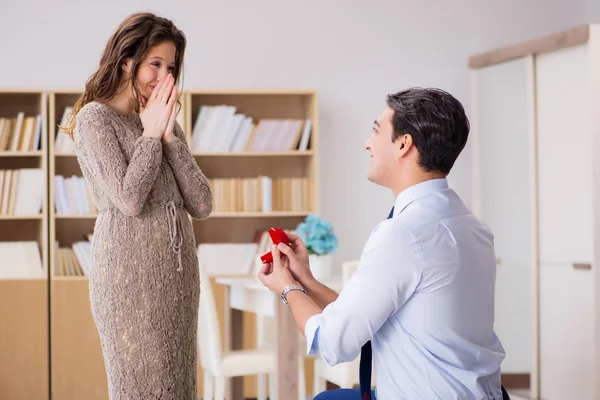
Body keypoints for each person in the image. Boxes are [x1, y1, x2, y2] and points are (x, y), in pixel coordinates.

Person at [258, 87, 508, 399]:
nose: (367, 143)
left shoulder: (403, 234)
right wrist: (305, 280)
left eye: (376, 130)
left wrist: (287, 289)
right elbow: (364, 316)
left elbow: (333, 342)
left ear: (404, 144)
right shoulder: (471, 227)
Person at [62, 12, 212, 399]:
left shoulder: (161, 122)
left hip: (177, 282)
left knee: (180, 388)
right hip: (128, 282)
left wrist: (168, 137)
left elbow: (202, 202)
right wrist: (150, 133)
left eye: (172, 67)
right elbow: (129, 199)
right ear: (127, 60)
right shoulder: (96, 119)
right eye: (155, 64)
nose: (164, 77)